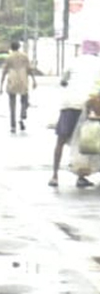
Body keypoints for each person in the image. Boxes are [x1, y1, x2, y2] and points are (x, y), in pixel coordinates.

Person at [50, 40, 100, 188]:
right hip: (91, 105)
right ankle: (81, 176)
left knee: (61, 140)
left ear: (83, 50)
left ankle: (54, 176)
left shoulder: (73, 61)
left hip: (70, 104)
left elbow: (63, 81)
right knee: (88, 141)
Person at [0, 39, 34, 133]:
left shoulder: (9, 57)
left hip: (12, 80)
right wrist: (34, 80)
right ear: (19, 47)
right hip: (23, 80)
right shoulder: (24, 56)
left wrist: (1, 86)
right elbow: (29, 69)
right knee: (25, 100)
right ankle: (22, 116)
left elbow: (4, 72)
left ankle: (13, 126)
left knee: (12, 105)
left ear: (11, 47)